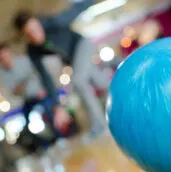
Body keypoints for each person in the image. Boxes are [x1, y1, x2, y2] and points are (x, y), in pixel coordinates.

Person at [13, 0, 109, 137]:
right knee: (100, 82)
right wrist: (57, 106)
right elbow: (45, 78)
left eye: (35, 29)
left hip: (82, 45)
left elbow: (76, 8)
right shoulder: (32, 50)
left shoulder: (53, 22)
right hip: (72, 60)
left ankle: (100, 126)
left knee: (78, 80)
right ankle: (124, 94)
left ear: (38, 23)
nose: (35, 36)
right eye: (29, 34)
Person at [0, 44, 69, 143]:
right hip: (28, 100)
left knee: (49, 112)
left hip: (40, 94)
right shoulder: (3, 74)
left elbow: (40, 75)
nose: (4, 59)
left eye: (5, 55)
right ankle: (46, 143)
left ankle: (60, 138)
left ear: (9, 53)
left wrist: (41, 89)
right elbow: (14, 93)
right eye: (1, 58)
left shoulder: (24, 61)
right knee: (26, 124)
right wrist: (20, 87)